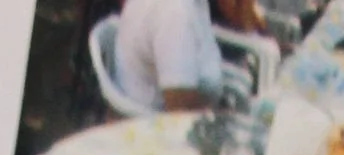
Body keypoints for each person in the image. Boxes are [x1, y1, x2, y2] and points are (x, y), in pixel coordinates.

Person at [107, 0, 266, 116]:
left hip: (201, 108)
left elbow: (243, 20)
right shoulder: (175, 13)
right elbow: (180, 116)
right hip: (157, 137)